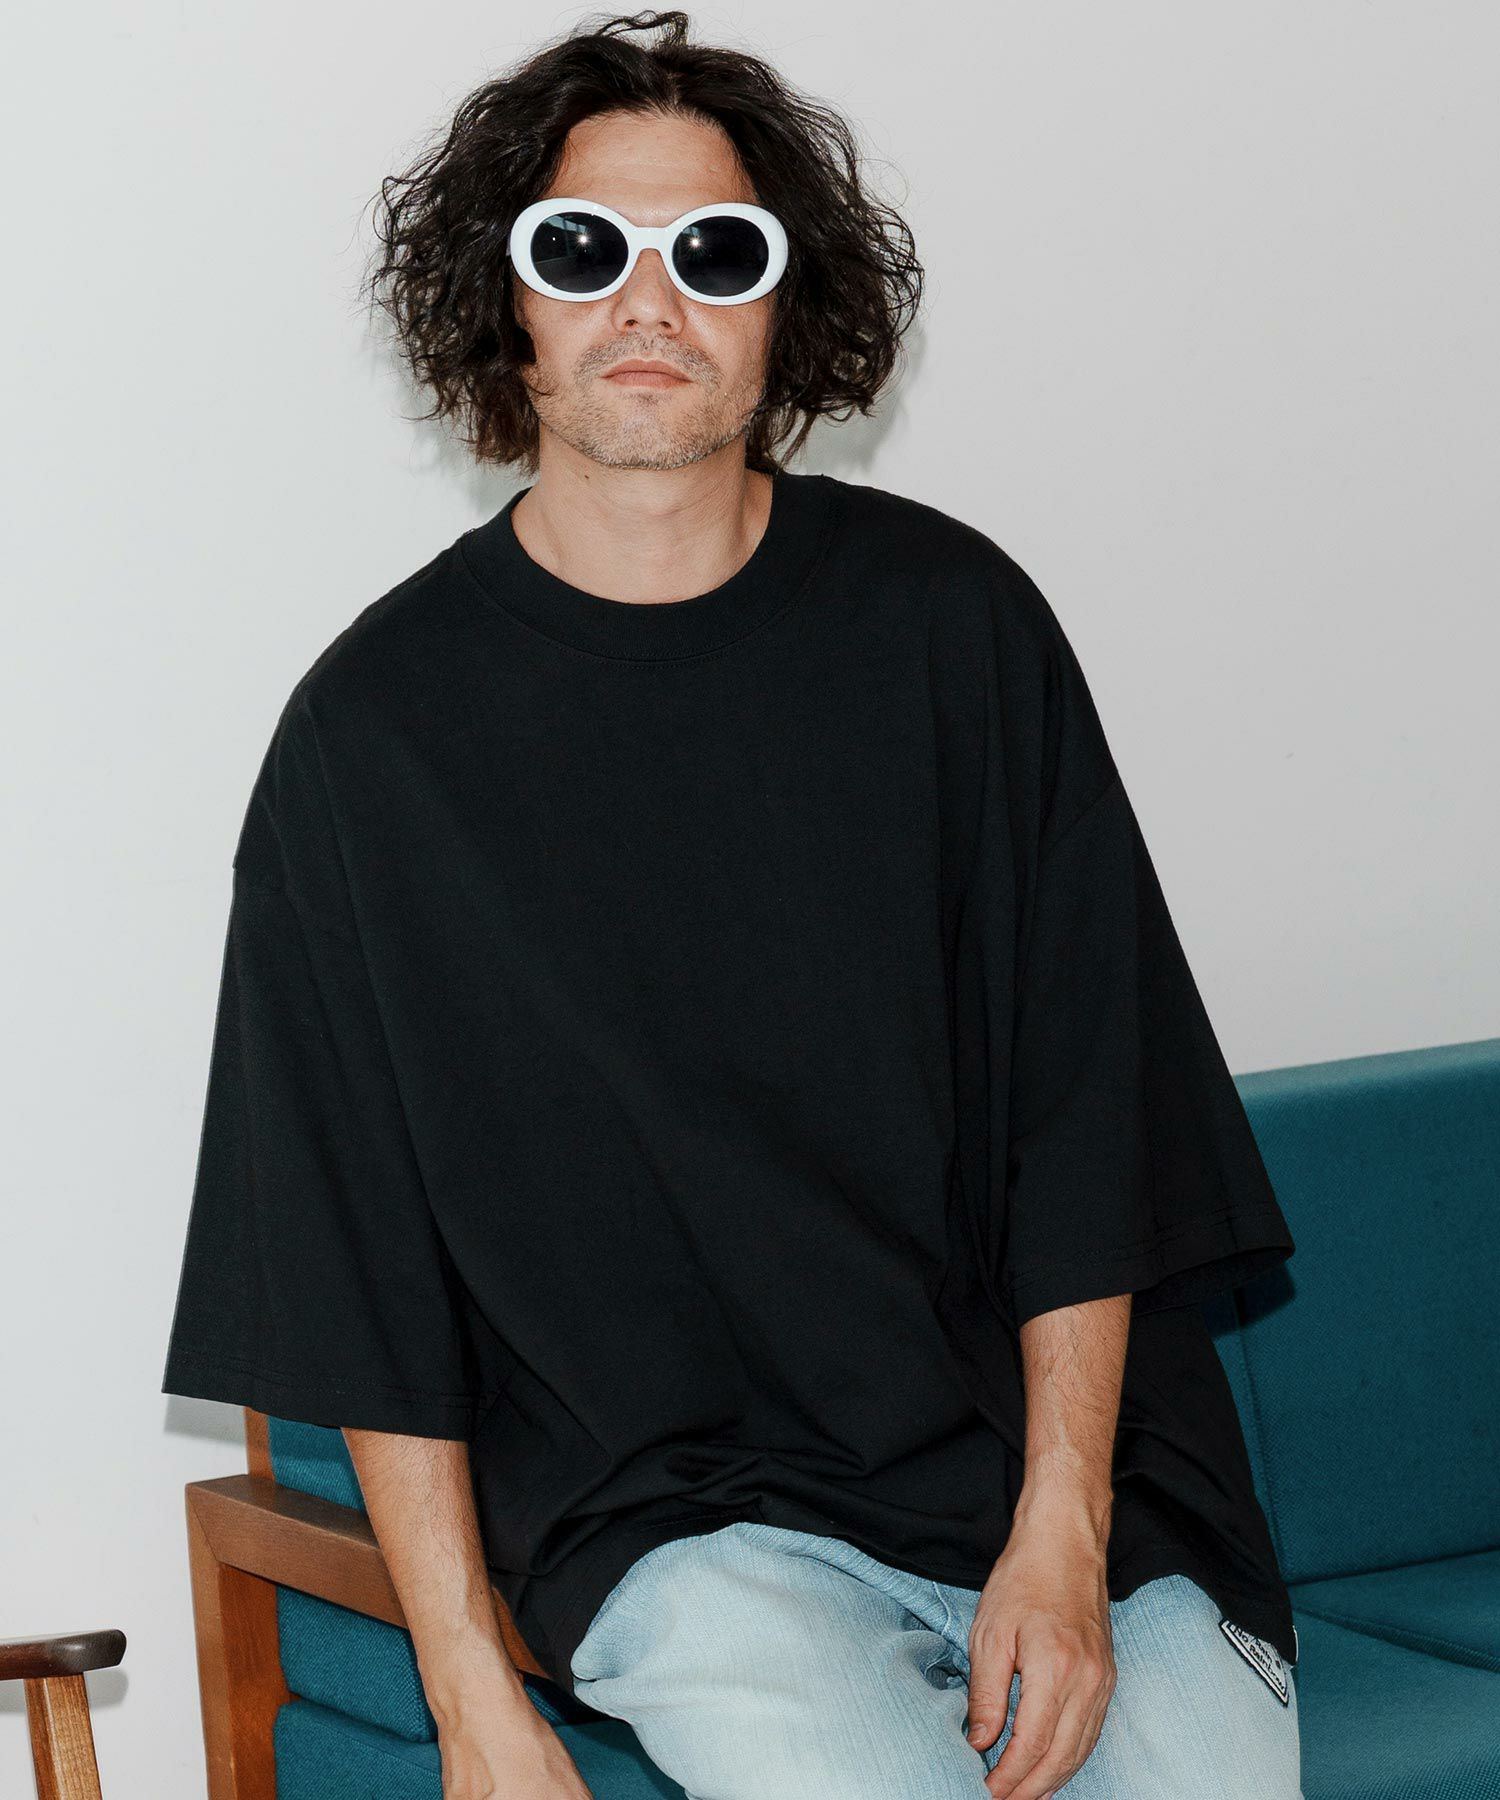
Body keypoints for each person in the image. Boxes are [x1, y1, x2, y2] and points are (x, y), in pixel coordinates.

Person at [161, 11, 1304, 1797]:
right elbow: (349, 1258)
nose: (649, 301)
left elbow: (1090, 1119)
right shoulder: (373, 741)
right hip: (683, 1529)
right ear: (506, 303)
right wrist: (472, 1702)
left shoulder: (956, 631)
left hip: (1061, 1494)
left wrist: (1064, 1534)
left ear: (785, 306)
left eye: (714, 252)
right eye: (581, 249)